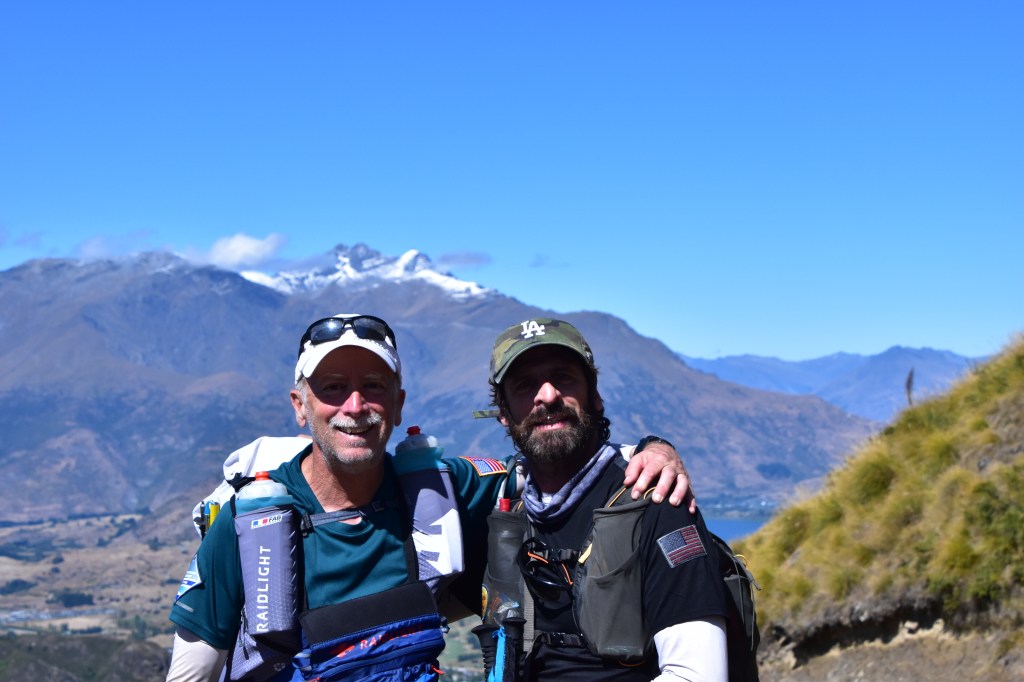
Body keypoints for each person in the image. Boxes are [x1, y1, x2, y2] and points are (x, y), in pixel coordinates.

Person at [166, 313, 692, 682]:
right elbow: (191, 674)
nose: (355, 406)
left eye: (374, 387)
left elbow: (548, 460)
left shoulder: (437, 493)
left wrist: (652, 450)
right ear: (300, 406)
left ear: (398, 405)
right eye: (332, 387)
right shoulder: (249, 526)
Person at [476, 318, 730, 681]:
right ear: (504, 414)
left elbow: (698, 674)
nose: (547, 396)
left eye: (563, 377)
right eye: (524, 385)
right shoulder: (508, 515)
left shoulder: (655, 500)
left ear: (594, 396)